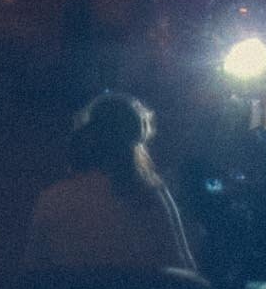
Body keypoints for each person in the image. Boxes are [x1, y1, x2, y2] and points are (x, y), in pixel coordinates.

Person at [23, 90, 196, 274]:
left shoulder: (54, 198)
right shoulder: (151, 194)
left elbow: (33, 275)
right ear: (135, 138)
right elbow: (183, 269)